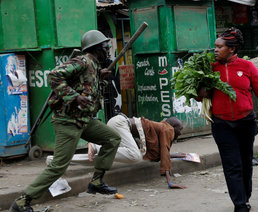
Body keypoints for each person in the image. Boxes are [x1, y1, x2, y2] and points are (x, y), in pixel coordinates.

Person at [10, 30, 121, 212]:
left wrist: (99, 78)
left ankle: (96, 181)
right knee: (58, 166)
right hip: (68, 121)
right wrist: (74, 97)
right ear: (95, 49)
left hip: (83, 120)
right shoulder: (82, 61)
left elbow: (84, 82)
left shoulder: (92, 65)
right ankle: (22, 202)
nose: (108, 50)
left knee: (112, 139)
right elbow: (54, 75)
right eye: (105, 47)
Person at [196, 27, 258, 212]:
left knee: (245, 162)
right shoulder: (209, 68)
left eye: (219, 47)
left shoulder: (246, 67)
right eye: (215, 47)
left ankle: (245, 197)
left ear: (232, 49)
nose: (215, 50)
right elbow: (199, 95)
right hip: (222, 124)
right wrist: (201, 92)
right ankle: (239, 205)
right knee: (232, 165)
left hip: (245, 123)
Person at [47, 114, 186, 189]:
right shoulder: (168, 129)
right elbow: (165, 152)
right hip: (120, 124)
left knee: (105, 157)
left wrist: (174, 155)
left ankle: (54, 160)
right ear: (173, 126)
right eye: (180, 128)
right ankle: (96, 146)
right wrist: (169, 182)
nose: (181, 131)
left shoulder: (161, 128)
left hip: (117, 123)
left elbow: (163, 152)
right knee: (134, 156)